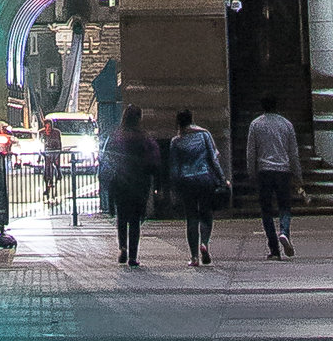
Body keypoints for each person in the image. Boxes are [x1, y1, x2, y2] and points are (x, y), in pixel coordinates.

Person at [167, 108, 228, 266]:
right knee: (206, 213)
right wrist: (222, 179)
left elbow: (174, 167)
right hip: (204, 178)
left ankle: (194, 257)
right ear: (192, 119)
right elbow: (213, 160)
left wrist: (174, 188)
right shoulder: (204, 134)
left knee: (191, 217)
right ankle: (204, 243)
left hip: (186, 182)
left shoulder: (176, 141)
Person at [242, 101, 301, 256]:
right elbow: (293, 152)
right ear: (276, 106)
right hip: (283, 171)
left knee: (266, 210)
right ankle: (284, 231)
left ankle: (274, 249)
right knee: (285, 206)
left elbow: (251, 151)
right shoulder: (286, 124)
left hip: (264, 171)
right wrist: (297, 174)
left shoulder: (256, 124)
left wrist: (251, 172)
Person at [99, 103, 155, 266]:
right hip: (139, 183)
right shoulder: (143, 137)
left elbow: (106, 158)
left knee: (122, 217)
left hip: (120, 182)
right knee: (135, 220)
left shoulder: (116, 136)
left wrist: (107, 179)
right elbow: (152, 159)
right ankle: (133, 256)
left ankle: (122, 247)